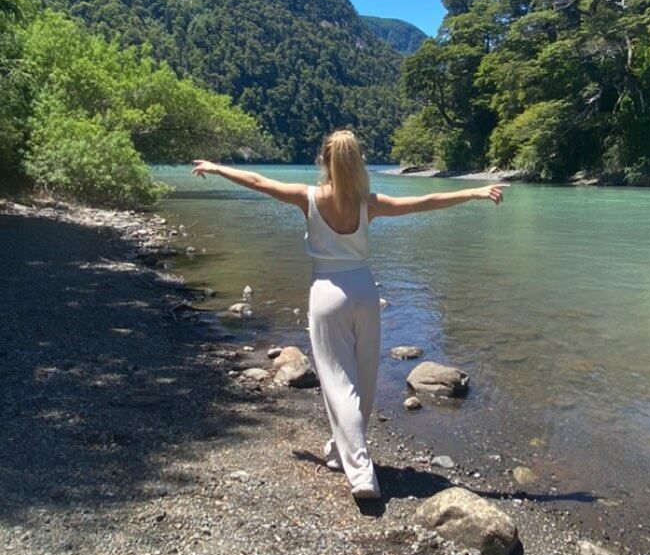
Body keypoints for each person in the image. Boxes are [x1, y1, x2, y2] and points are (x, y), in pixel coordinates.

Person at [193, 130, 503, 502]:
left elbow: (258, 181)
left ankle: (361, 474)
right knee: (365, 377)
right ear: (357, 162)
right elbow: (425, 201)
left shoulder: (307, 197)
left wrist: (216, 167)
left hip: (326, 293)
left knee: (339, 383)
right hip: (363, 290)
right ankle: (345, 452)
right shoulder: (367, 203)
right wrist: (473, 192)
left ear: (324, 161)